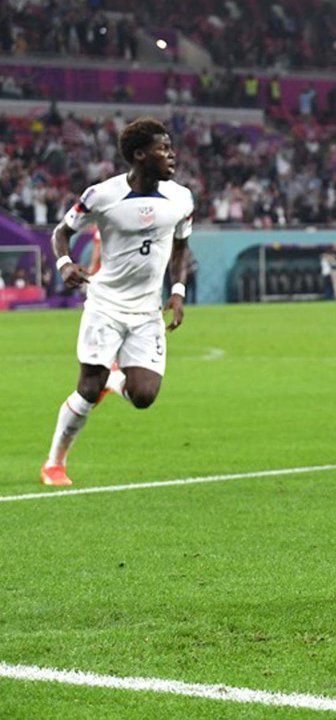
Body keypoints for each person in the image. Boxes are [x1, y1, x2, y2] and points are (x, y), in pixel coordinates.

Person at [41, 117, 194, 486]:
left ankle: (115, 381)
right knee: (87, 388)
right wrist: (63, 264)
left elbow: (181, 246)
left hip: (146, 311)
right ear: (140, 155)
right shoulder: (101, 195)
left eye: (171, 148)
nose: (171, 155)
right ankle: (54, 464)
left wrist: (177, 291)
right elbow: (62, 231)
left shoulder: (182, 198)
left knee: (144, 396)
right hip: (105, 304)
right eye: (163, 149)